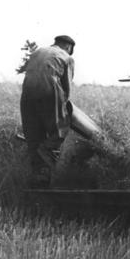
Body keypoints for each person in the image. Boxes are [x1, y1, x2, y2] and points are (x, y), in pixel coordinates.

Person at [20, 35, 76, 187]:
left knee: (33, 135)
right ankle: (46, 149)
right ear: (68, 47)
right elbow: (67, 87)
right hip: (49, 88)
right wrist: (64, 107)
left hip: (27, 92)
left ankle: (39, 179)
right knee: (59, 130)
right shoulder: (66, 57)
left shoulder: (37, 52)